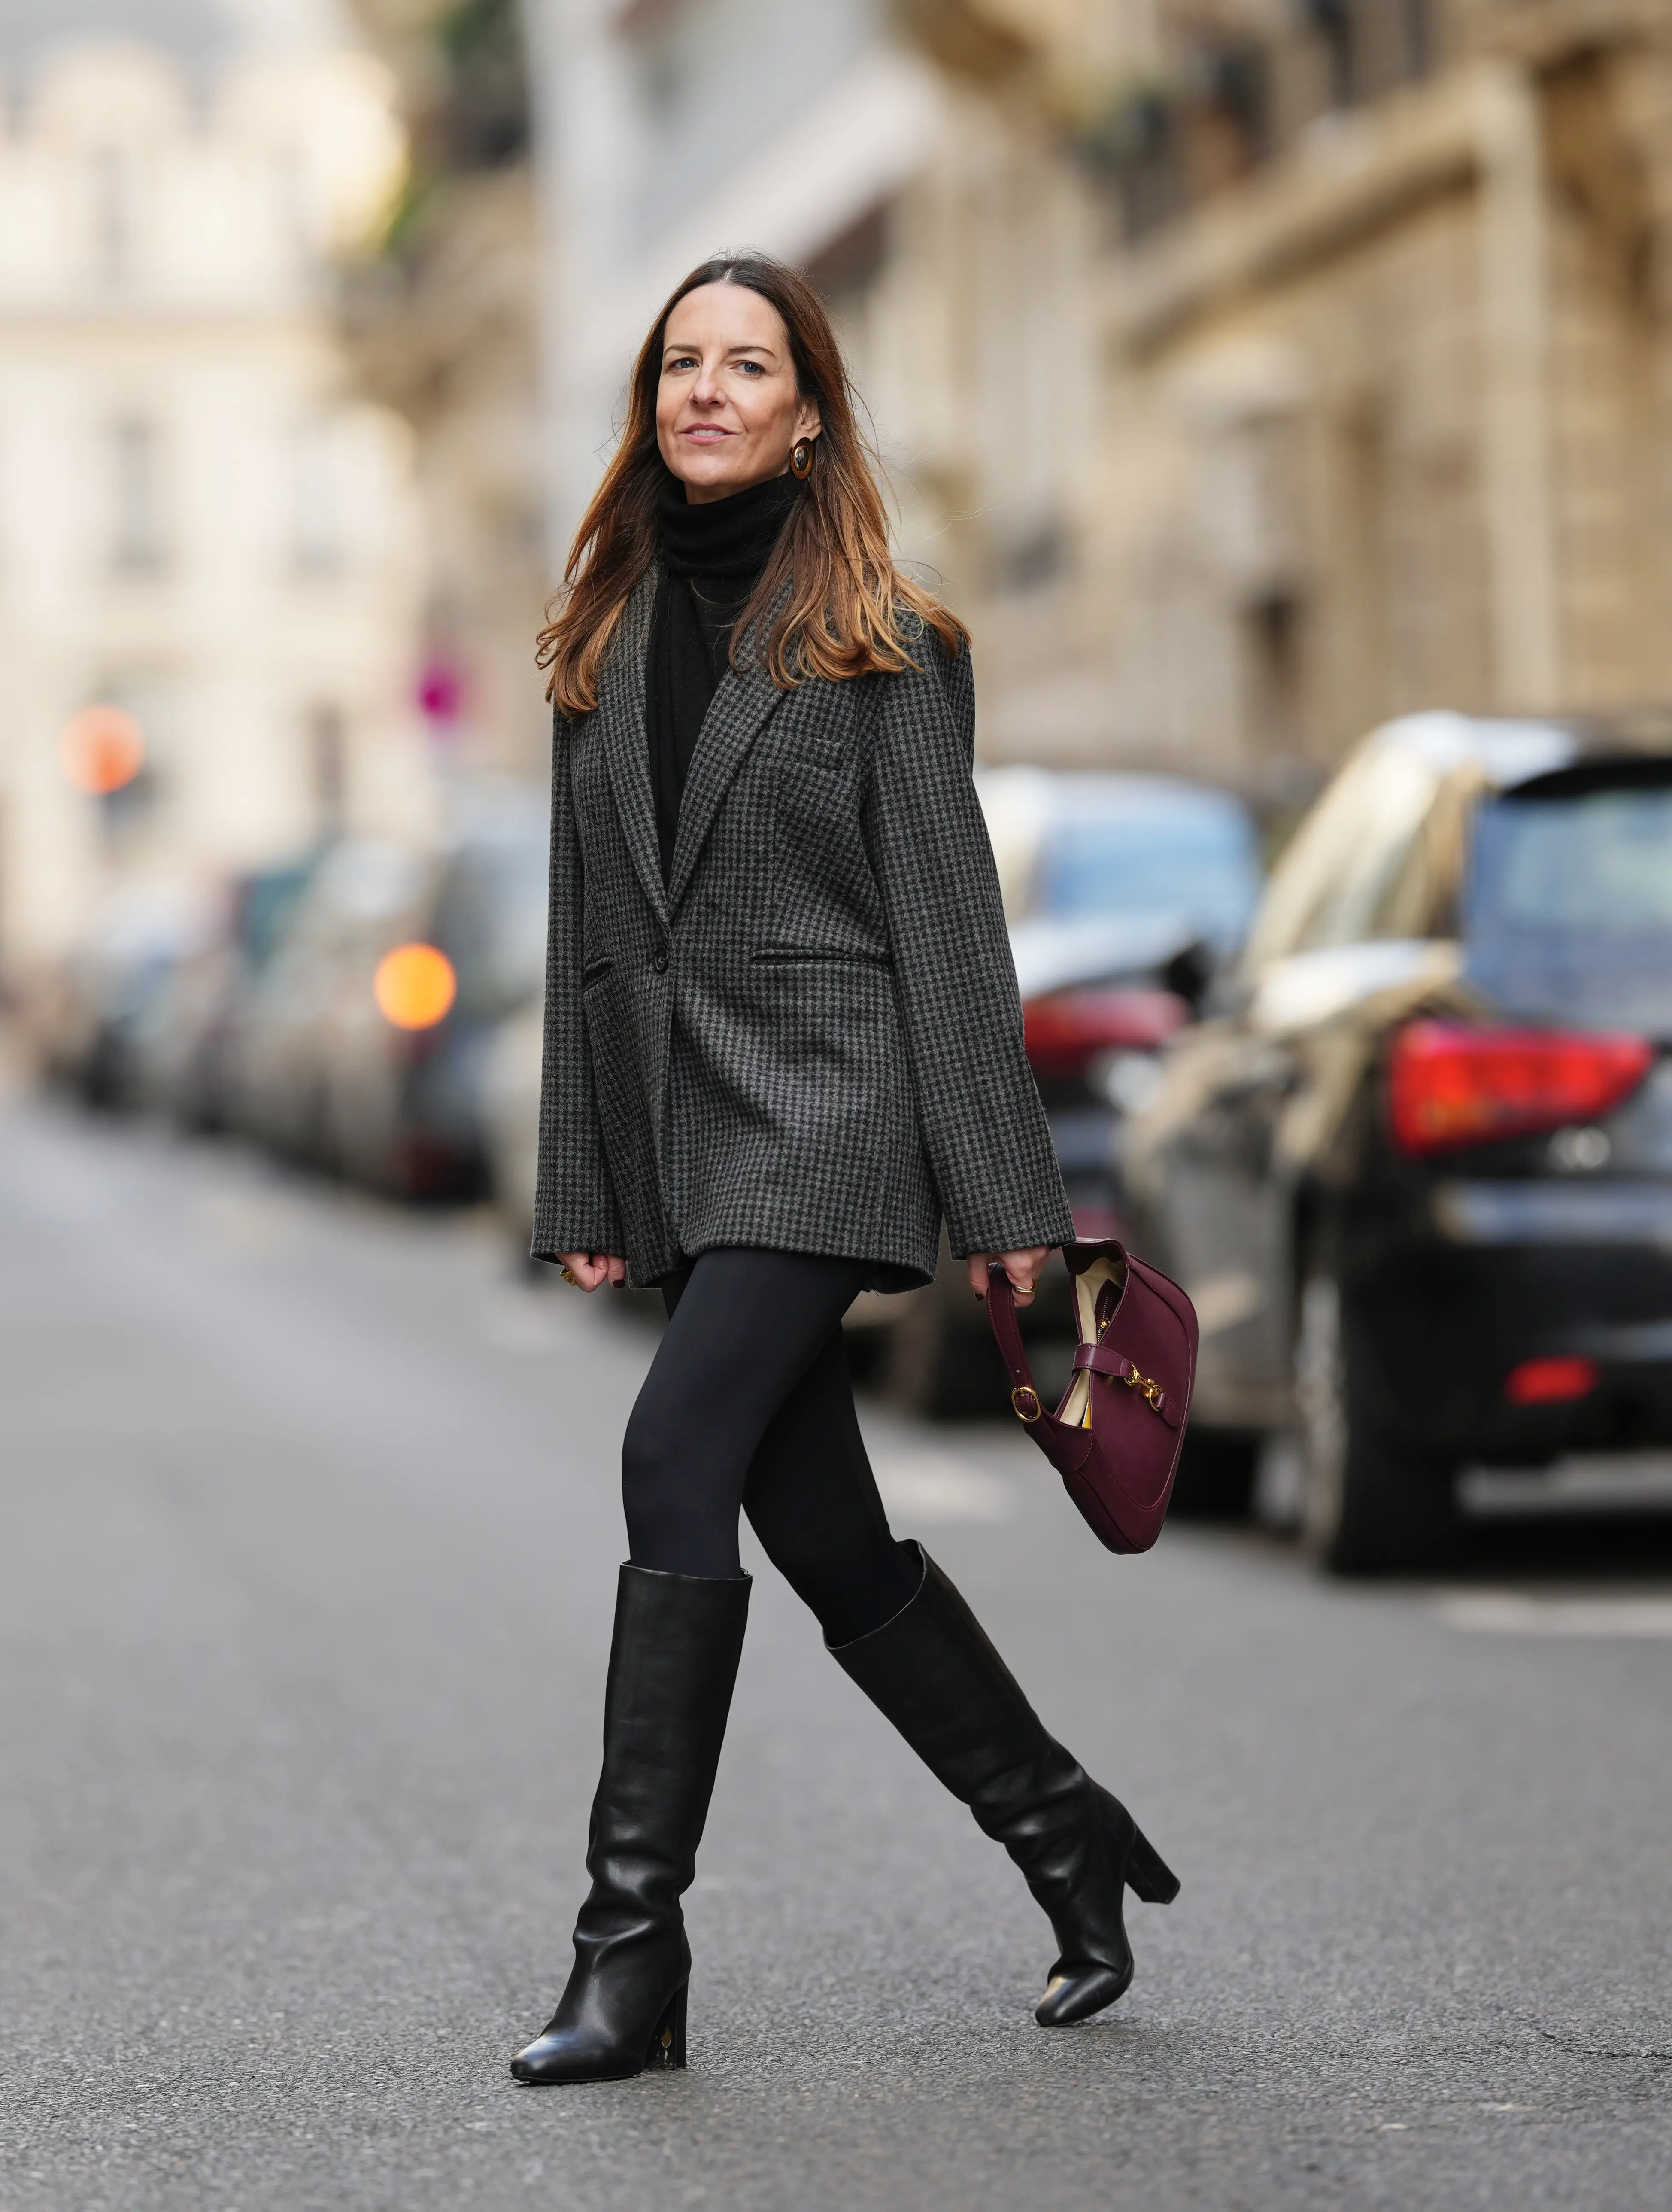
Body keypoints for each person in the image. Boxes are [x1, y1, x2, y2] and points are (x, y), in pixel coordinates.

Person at [512, 253, 1178, 2086]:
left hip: (828, 1109)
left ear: (809, 415)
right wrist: (587, 1183)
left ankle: (629, 1951)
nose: (707, 392)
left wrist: (1010, 1206)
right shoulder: (599, 643)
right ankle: (1063, 1829)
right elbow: (588, 932)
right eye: (681, 364)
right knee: (822, 1534)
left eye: (749, 366)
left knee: (670, 1453)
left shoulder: (889, 642)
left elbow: (953, 935)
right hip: (689, 1129)